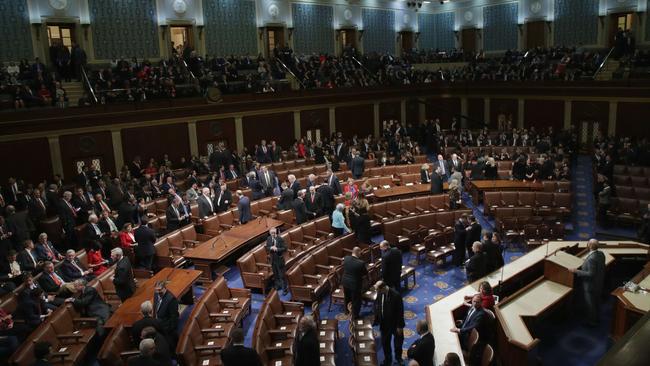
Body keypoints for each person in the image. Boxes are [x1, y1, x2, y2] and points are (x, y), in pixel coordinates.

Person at [569, 239, 606, 326]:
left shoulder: (591, 259)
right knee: (596, 301)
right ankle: (596, 318)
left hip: (590, 285)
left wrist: (576, 271)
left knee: (590, 304)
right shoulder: (601, 254)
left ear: (589, 246)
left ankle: (592, 322)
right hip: (599, 282)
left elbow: (590, 274)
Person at [374, 281, 405, 366]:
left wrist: (400, 326)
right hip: (384, 323)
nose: (376, 292)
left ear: (383, 288)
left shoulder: (396, 295)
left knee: (398, 342)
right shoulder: (380, 293)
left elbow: (400, 312)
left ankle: (398, 358)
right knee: (385, 343)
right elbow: (378, 304)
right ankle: (388, 359)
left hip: (395, 324)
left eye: (377, 290)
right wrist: (377, 318)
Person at [342, 247, 367, 319]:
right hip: (355, 284)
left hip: (345, 282)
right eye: (360, 253)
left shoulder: (346, 258)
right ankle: (355, 315)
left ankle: (346, 311)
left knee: (347, 297)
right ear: (358, 252)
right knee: (356, 300)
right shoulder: (361, 263)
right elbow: (365, 273)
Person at [153, 281, 179, 345]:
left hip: (167, 329)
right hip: (158, 325)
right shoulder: (156, 294)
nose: (158, 292)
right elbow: (155, 307)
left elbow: (174, 317)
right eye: (156, 290)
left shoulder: (171, 299)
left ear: (164, 288)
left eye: (159, 290)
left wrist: (169, 330)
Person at [265, 228, 287, 295]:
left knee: (282, 275)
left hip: (279, 260)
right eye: (272, 233)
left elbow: (285, 248)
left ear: (276, 232)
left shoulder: (280, 239)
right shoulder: (268, 239)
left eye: (274, 233)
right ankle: (278, 286)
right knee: (276, 274)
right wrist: (270, 248)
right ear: (270, 233)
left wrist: (277, 249)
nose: (273, 234)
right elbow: (267, 247)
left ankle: (285, 289)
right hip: (273, 260)